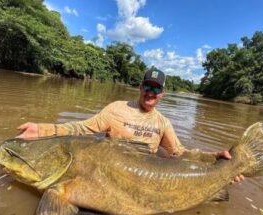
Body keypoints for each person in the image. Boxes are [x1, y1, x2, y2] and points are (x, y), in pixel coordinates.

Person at [17, 68, 244, 182]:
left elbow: (180, 153)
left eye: (156, 89)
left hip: (143, 177)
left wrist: (215, 159)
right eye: (147, 86)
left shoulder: (163, 123)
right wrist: (42, 129)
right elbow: (83, 128)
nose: (150, 93)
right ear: (140, 87)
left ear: (162, 94)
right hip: (107, 175)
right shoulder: (117, 108)